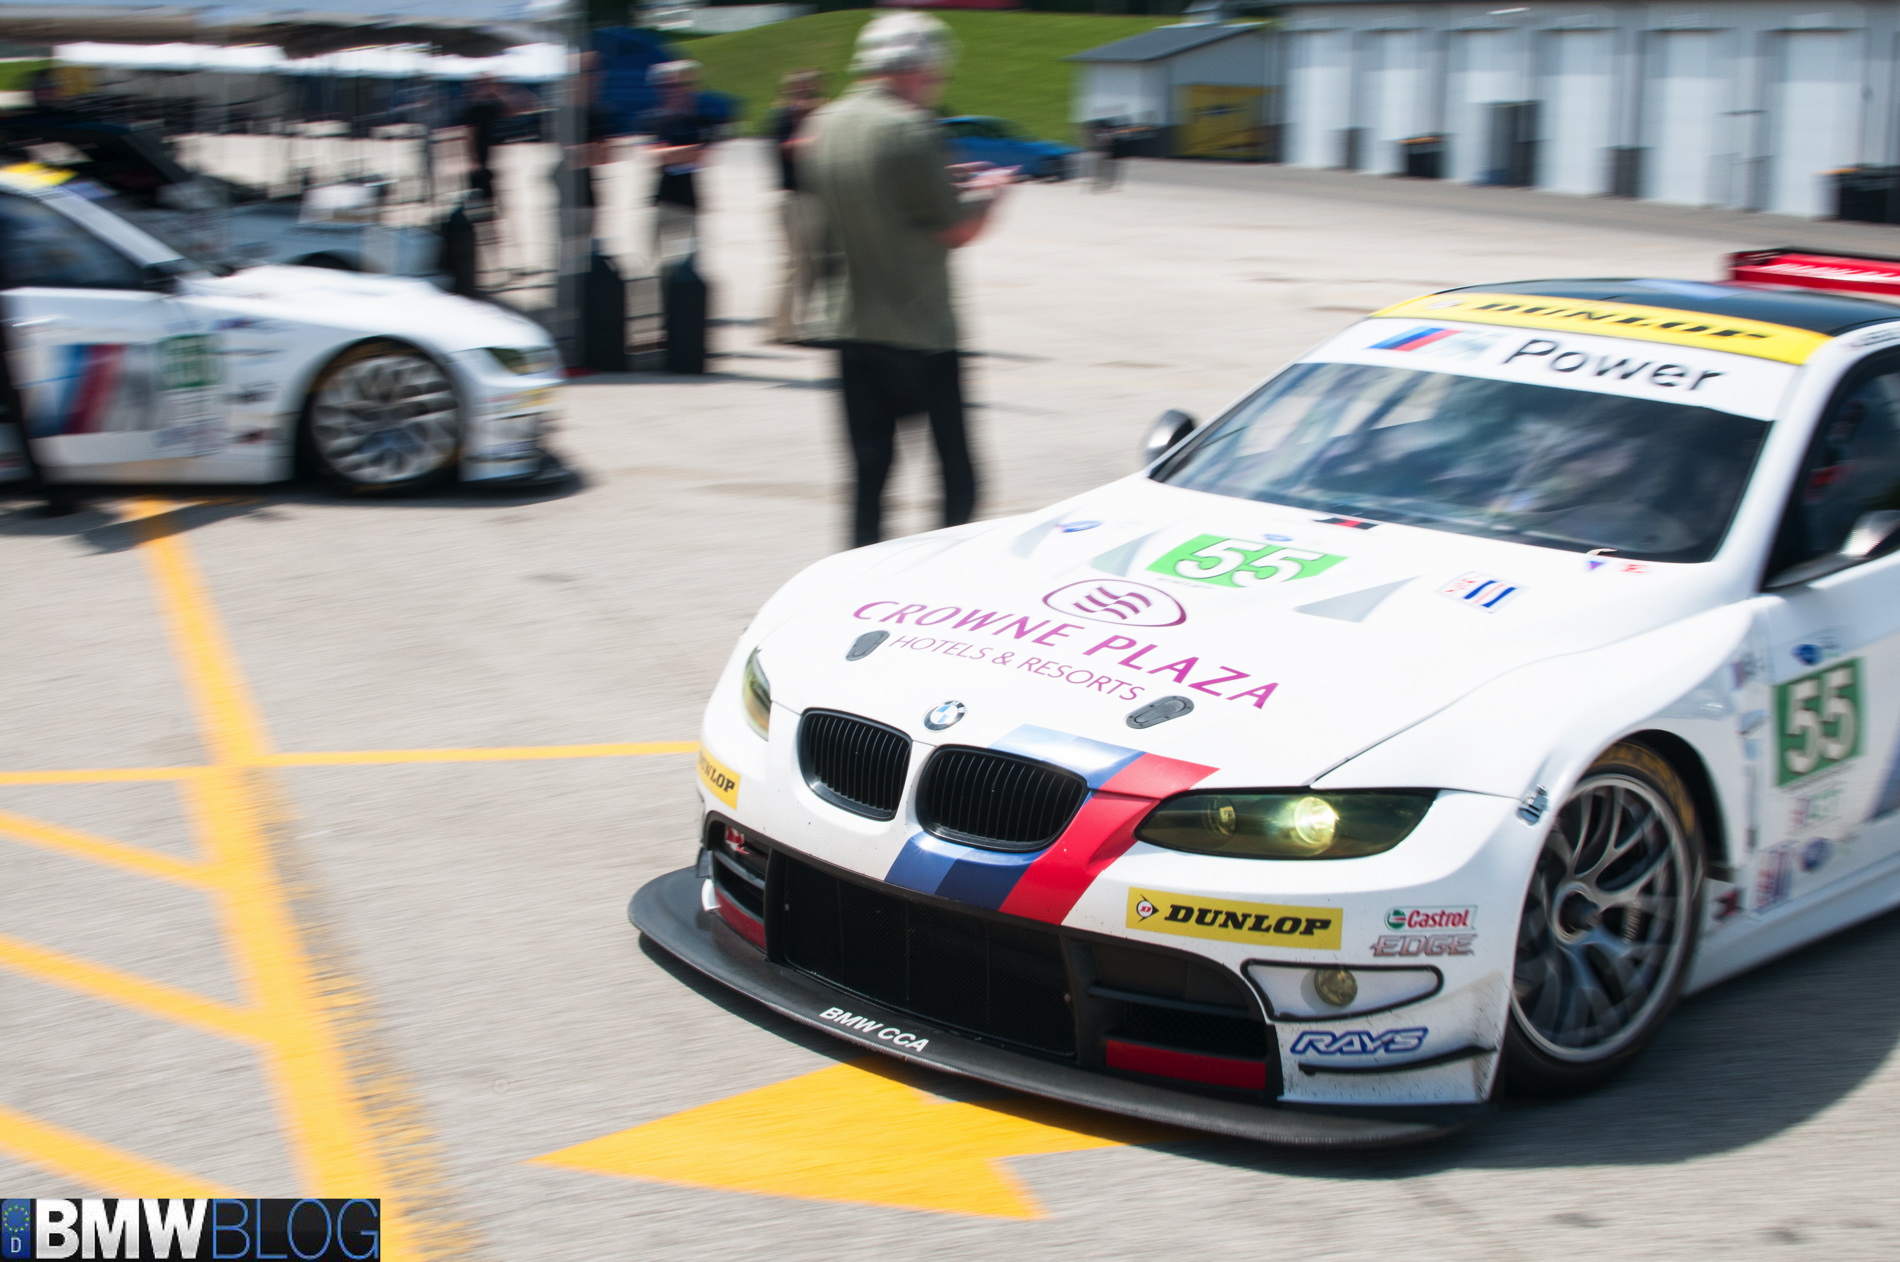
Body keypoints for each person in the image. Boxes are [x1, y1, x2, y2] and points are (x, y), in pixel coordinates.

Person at [803, 13, 1011, 547]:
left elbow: (848, 211)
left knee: (870, 474)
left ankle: (858, 574)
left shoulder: (826, 125)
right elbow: (958, 230)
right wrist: (991, 193)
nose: (935, 84)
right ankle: (943, 575)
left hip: (851, 323)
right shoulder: (910, 128)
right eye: (936, 73)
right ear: (918, 69)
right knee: (957, 476)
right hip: (921, 331)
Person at [763, 68, 824, 344]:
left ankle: (802, 323)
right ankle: (781, 327)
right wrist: (812, 133)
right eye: (801, 91)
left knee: (813, 264)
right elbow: (789, 150)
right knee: (794, 265)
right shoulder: (783, 119)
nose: (806, 97)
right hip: (793, 199)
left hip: (815, 197)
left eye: (810, 91)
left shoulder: (818, 120)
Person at [645, 60, 720, 266]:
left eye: (683, 85)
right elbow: (658, 156)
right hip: (663, 201)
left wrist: (675, 154)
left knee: (688, 265)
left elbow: (704, 156)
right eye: (669, 86)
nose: (677, 91)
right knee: (659, 264)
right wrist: (688, 152)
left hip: (690, 202)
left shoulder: (699, 122)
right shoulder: (654, 120)